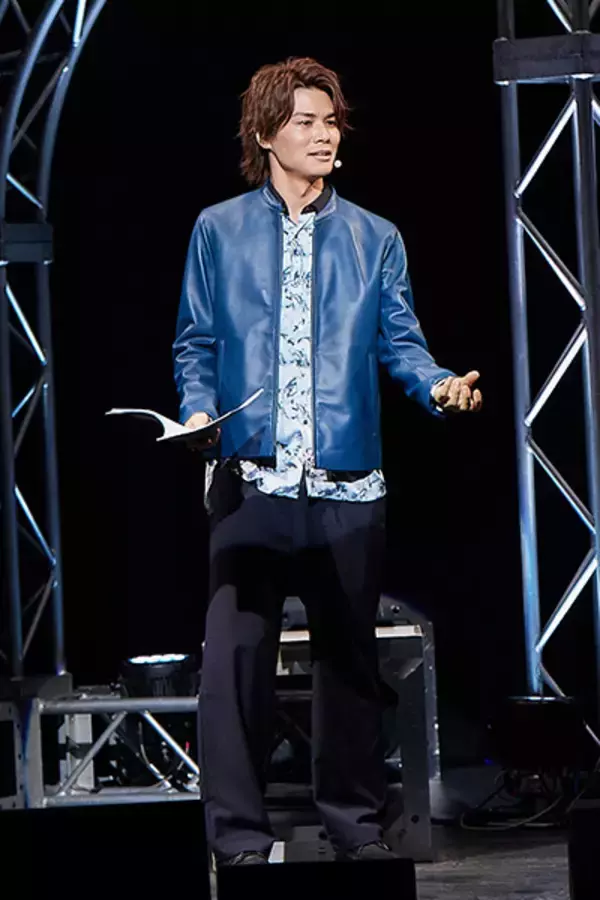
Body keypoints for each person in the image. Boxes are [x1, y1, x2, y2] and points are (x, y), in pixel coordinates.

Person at [173, 57, 482, 866]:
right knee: (233, 667)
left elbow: (401, 343)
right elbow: (196, 342)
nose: (324, 134)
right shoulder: (218, 229)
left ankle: (355, 828)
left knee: (348, 665)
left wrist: (439, 387)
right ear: (265, 133)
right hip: (251, 482)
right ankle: (240, 840)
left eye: (331, 121)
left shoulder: (375, 236)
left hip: (347, 484)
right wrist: (198, 411)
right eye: (306, 121)